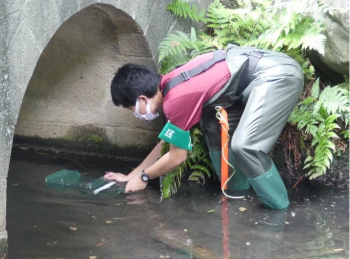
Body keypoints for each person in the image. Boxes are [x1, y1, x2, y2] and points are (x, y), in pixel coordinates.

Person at [104, 44, 304, 209]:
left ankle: (279, 210)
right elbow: (166, 144)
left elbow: (177, 156)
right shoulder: (170, 87)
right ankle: (236, 194)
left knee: (246, 146)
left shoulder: (176, 99)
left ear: (141, 99)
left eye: (132, 109)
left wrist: (144, 177)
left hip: (278, 75)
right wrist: (132, 175)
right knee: (211, 125)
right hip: (250, 83)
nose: (136, 113)